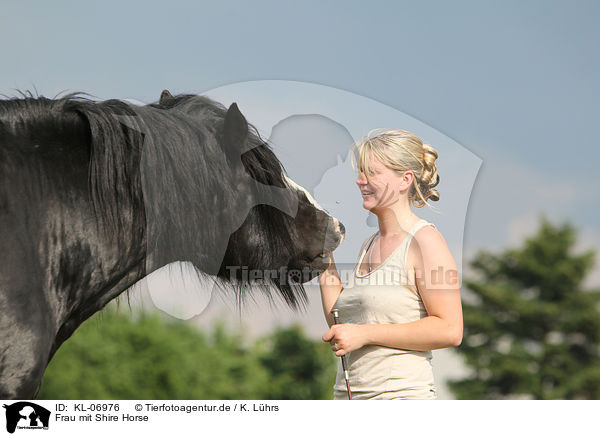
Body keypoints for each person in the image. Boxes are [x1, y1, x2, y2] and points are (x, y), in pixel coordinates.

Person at [318, 128, 463, 400]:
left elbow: (450, 329)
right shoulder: (368, 245)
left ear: (404, 180)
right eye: (360, 173)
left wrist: (365, 334)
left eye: (372, 173)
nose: (361, 181)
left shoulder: (426, 241)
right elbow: (341, 321)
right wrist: (323, 255)